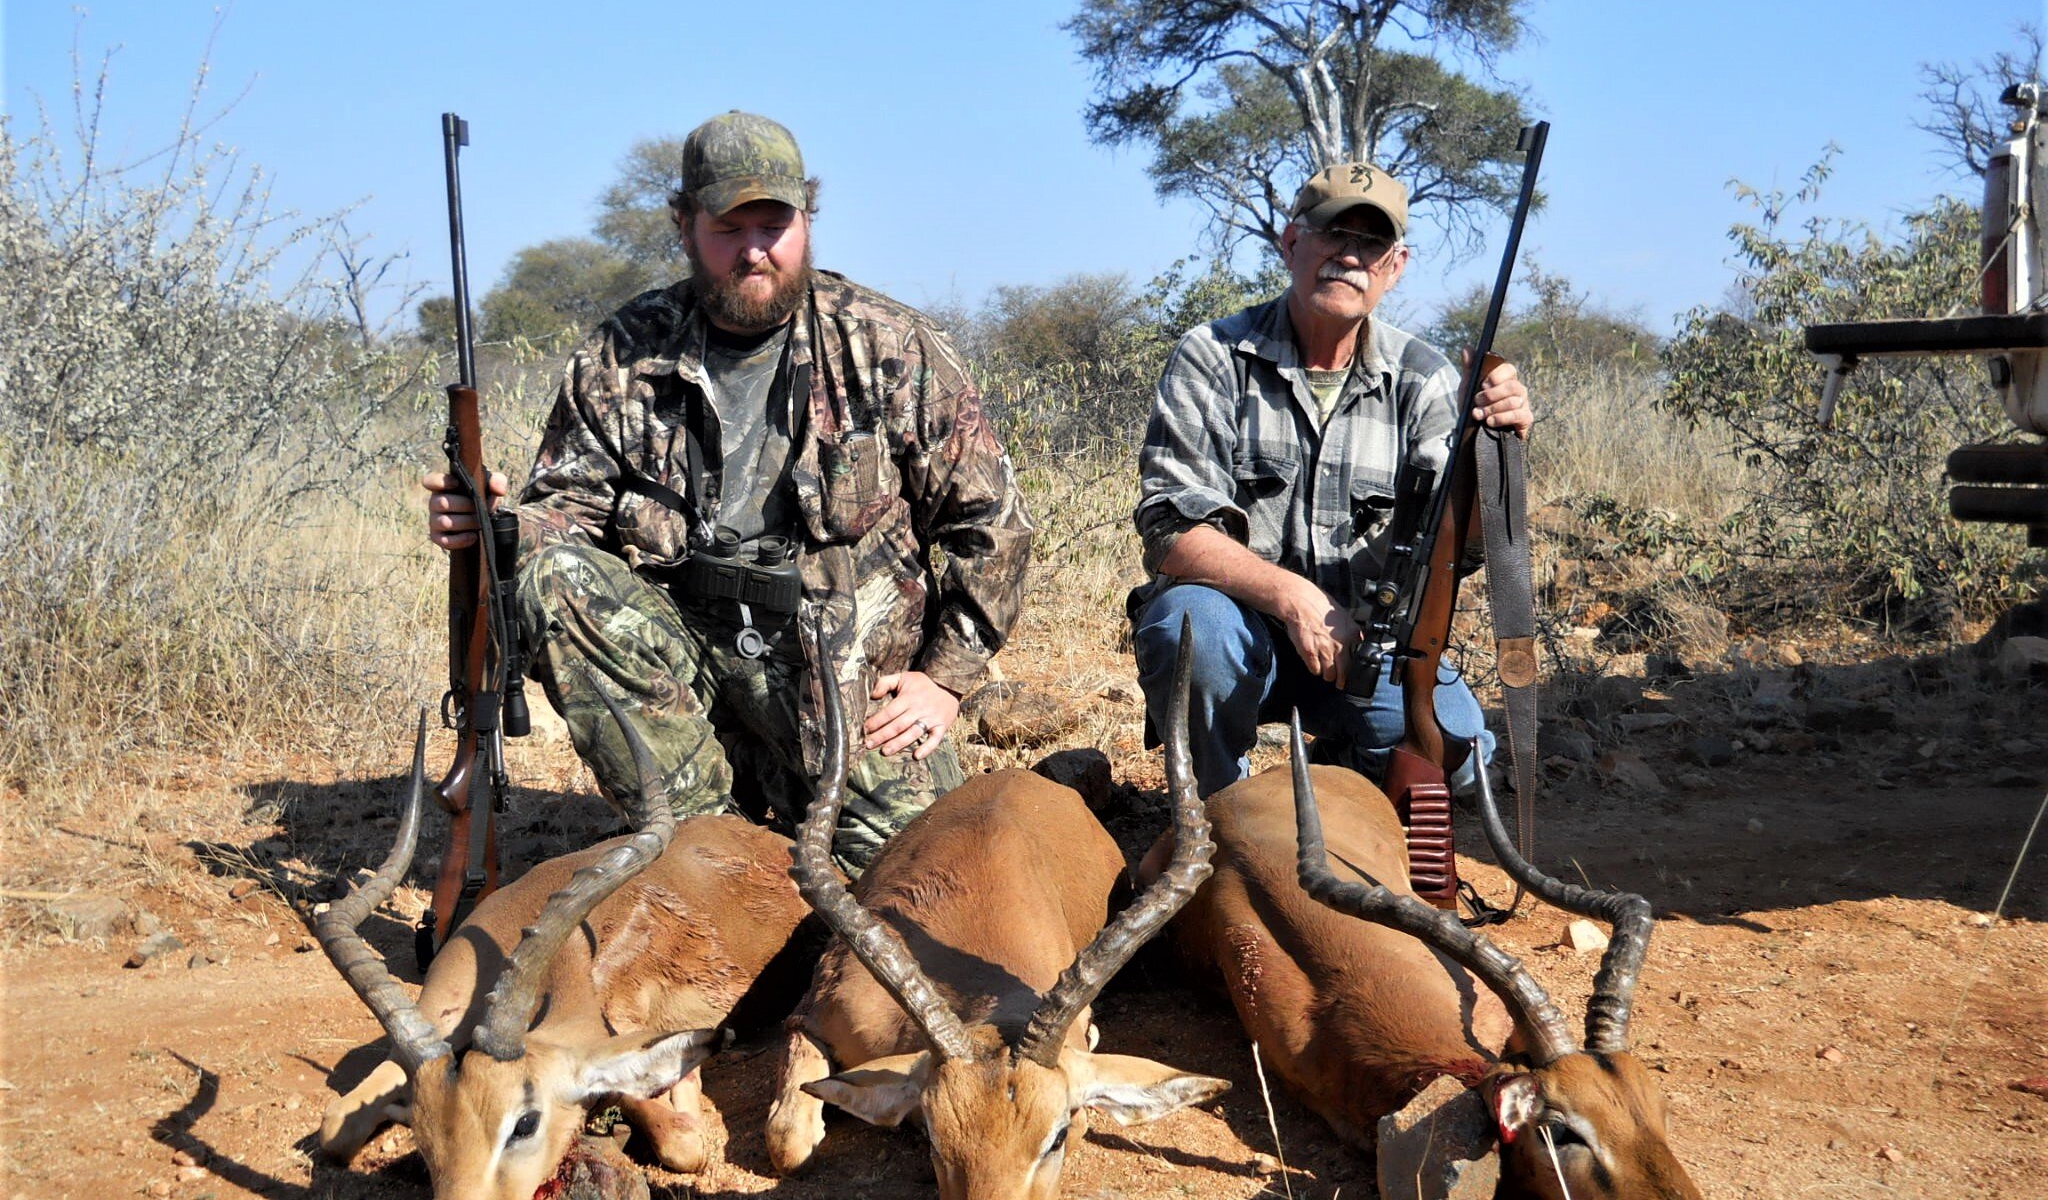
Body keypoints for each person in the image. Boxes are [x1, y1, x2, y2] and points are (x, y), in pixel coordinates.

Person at [427, 111, 1031, 873]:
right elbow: (562, 518)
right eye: (726, 227)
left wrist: (945, 680)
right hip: (689, 665)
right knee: (555, 579)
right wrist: (494, 522)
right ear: (683, 225)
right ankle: (703, 837)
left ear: (807, 218)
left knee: (912, 876)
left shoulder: (892, 345)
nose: (754, 249)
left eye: (774, 224)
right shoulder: (624, 351)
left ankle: (787, 816)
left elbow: (995, 525)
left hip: (845, 688)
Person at [1130, 160, 1533, 797]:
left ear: (1394, 267)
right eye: (1332, 234)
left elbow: (1462, 549)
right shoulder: (1212, 354)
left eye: (1370, 244)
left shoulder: (1423, 377)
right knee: (1189, 628)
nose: (1349, 257)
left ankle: (1326, 789)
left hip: (1362, 645)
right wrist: (1294, 598)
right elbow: (1172, 529)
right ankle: (1213, 813)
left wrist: (1496, 450)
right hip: (1238, 627)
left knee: (1458, 755)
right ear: (1293, 244)